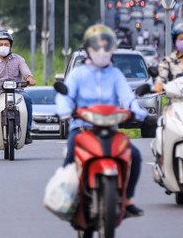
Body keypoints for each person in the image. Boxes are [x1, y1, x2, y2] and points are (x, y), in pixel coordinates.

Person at [57, 24, 151, 218]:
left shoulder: (116, 75)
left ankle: (127, 198)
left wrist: (137, 112)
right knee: (71, 153)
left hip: (110, 128)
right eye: (96, 47)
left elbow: (128, 97)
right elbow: (65, 96)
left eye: (105, 47)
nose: (101, 51)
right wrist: (66, 111)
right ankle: (66, 196)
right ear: (88, 50)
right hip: (82, 128)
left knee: (134, 154)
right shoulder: (77, 74)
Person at [0, 31, 35, 145]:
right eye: (1, 44)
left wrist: (29, 78)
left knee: (28, 100)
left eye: (6, 44)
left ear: (10, 46)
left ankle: (28, 131)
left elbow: (26, 72)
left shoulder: (19, 59)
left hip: (17, 91)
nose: (3, 47)